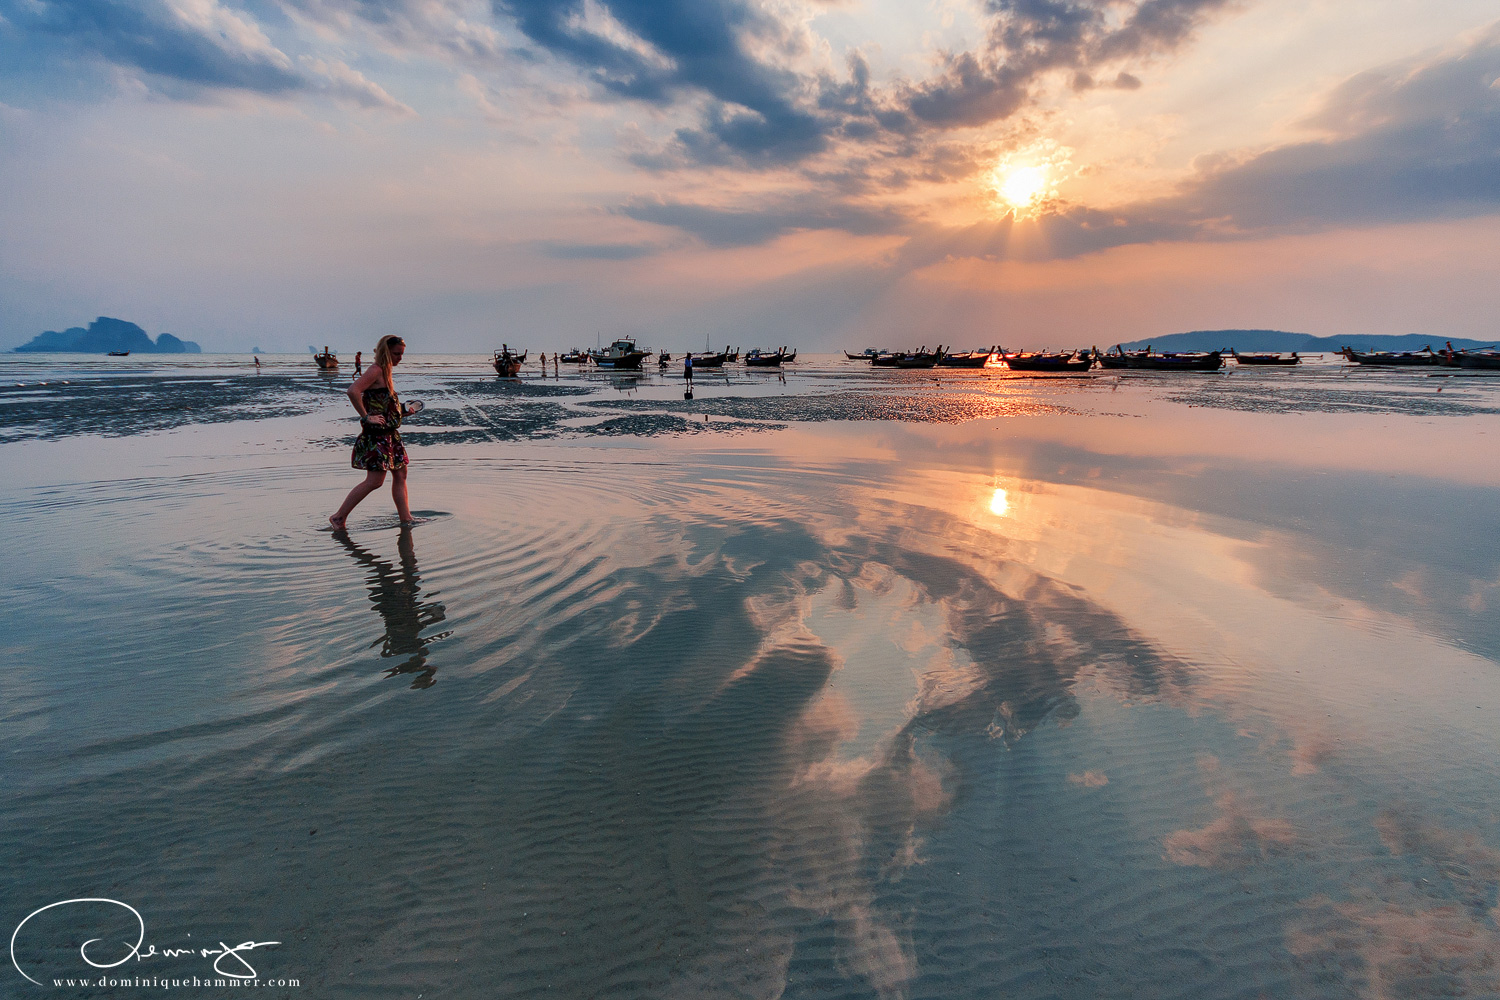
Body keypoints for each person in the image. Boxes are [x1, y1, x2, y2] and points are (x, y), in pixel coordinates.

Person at [330, 335, 412, 530]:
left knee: (401, 474)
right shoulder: (375, 371)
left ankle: (406, 519)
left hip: (390, 434)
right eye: (396, 354)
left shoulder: (387, 372)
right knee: (375, 481)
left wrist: (403, 411)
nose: (400, 358)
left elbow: (382, 406)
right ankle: (339, 517)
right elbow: (352, 391)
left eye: (402, 354)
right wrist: (366, 417)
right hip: (377, 436)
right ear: (386, 351)